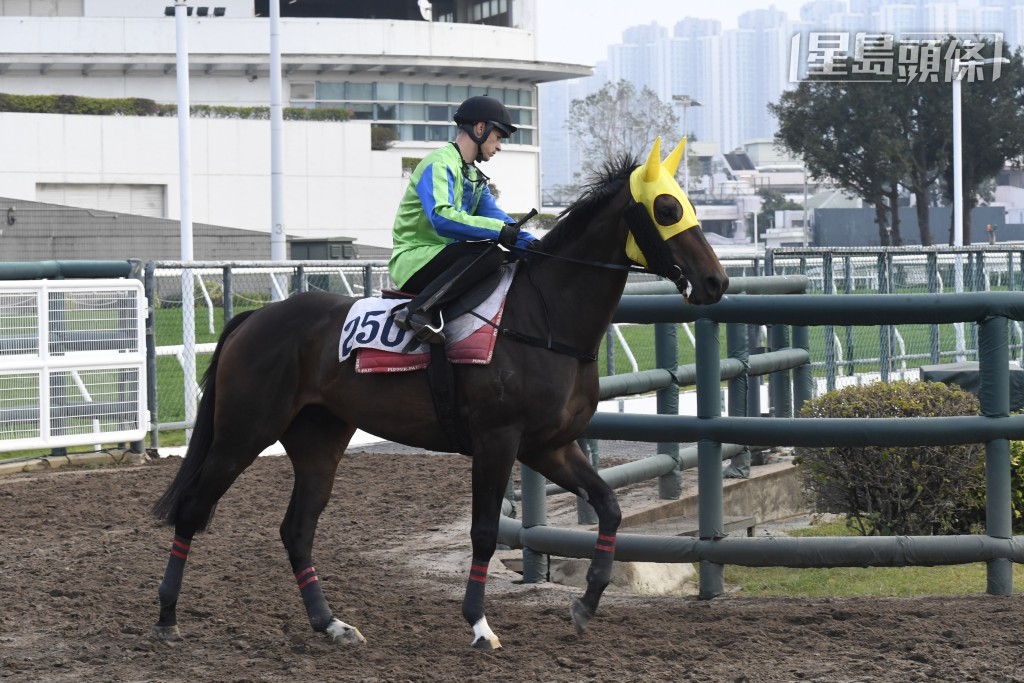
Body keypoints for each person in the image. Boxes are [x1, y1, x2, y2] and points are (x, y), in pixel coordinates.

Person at [388, 95, 537, 343]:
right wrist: (499, 231)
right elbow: (441, 217)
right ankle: (417, 311)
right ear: (480, 128)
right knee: (489, 253)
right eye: (498, 137)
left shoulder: (473, 176)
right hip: (413, 261)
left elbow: (499, 219)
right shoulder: (438, 164)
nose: (499, 146)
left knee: (507, 256)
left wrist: (532, 245)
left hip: (445, 260)